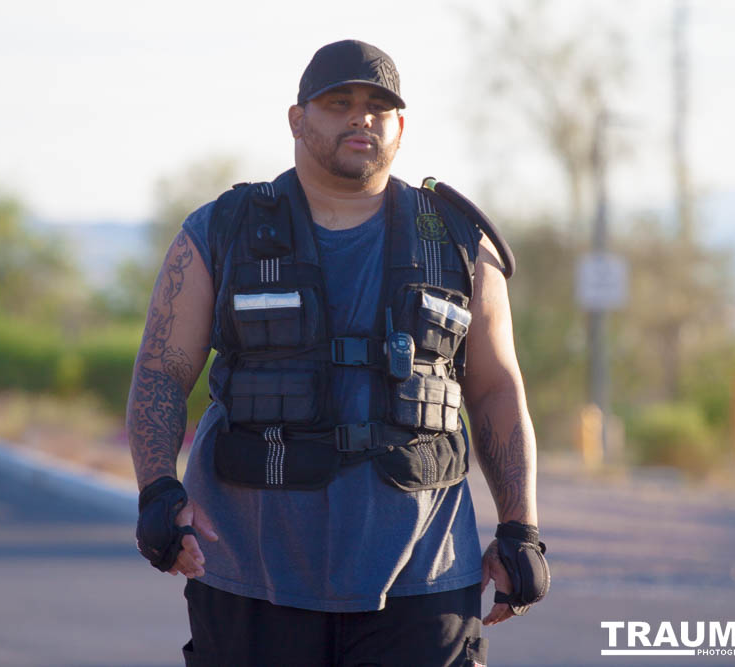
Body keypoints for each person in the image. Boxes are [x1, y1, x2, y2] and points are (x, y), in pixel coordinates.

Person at [126, 39, 548, 667]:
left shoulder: (459, 242)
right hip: (253, 579)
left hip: (424, 582)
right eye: (340, 102)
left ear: (400, 127)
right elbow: (163, 372)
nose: (362, 117)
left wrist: (521, 528)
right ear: (298, 119)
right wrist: (158, 491)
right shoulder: (222, 230)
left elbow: (495, 388)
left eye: (379, 107)